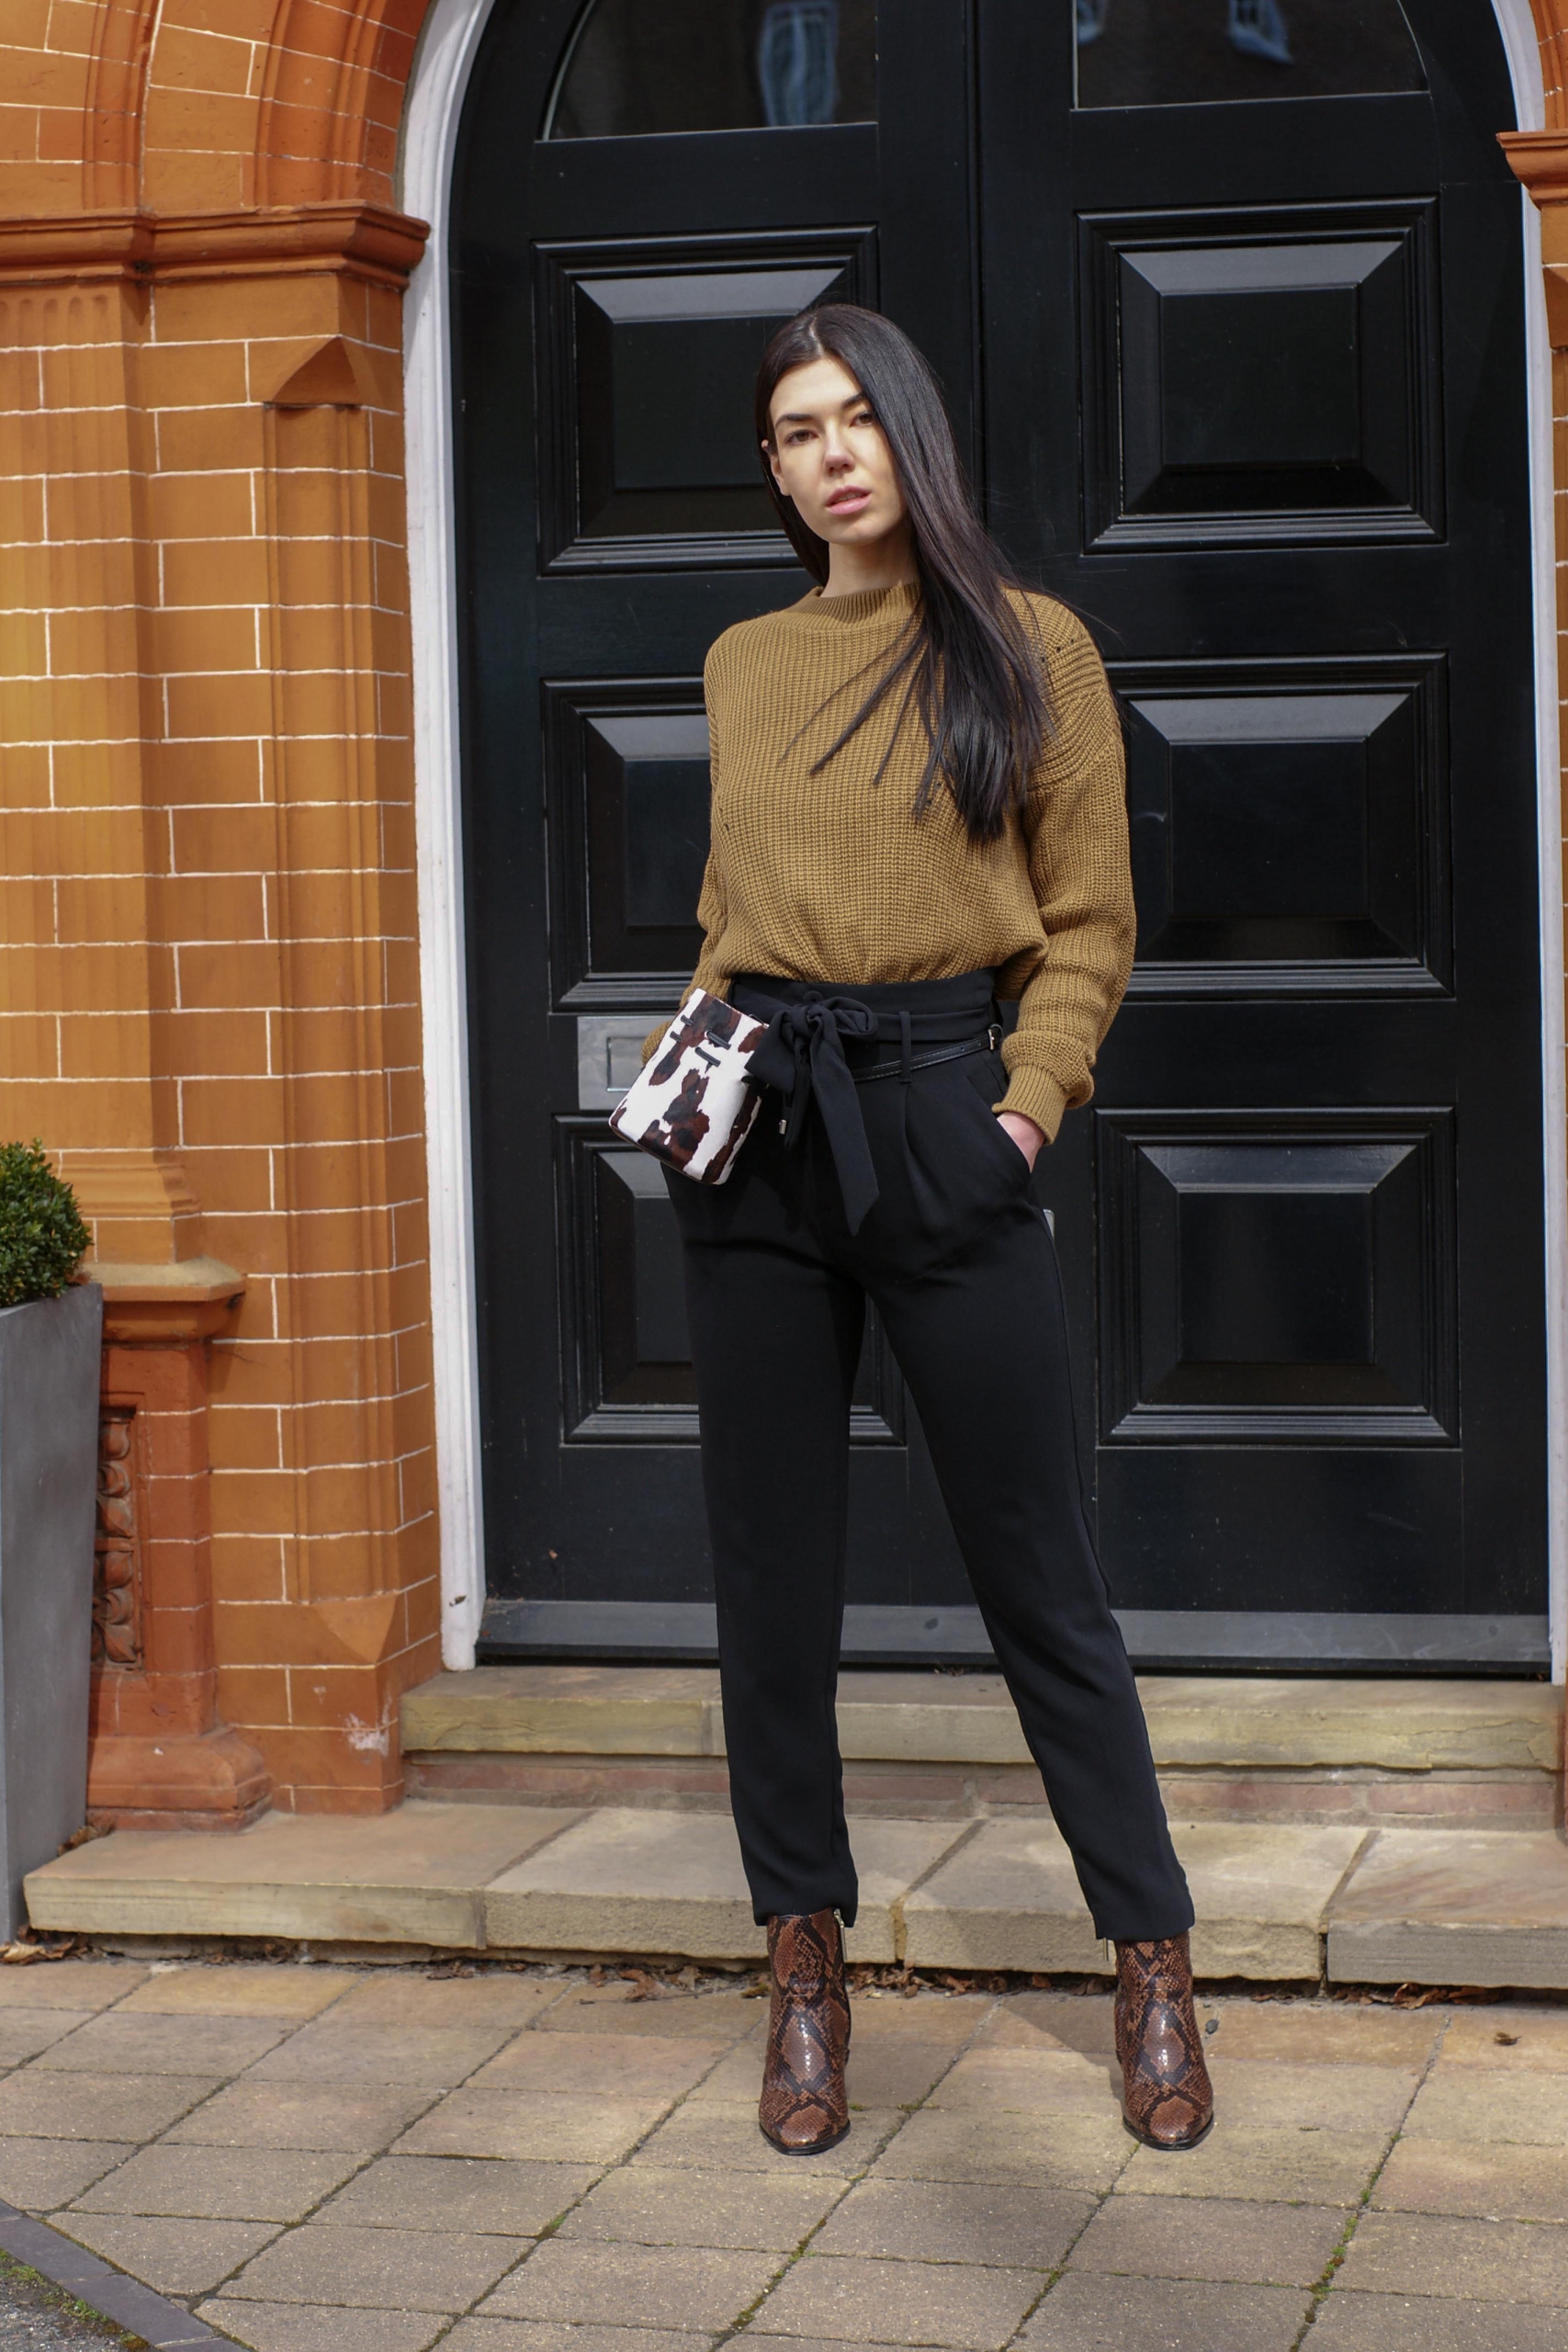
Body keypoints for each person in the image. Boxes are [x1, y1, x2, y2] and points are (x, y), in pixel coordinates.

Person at [642, 303, 1213, 2158]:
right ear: (772, 464)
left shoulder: (1025, 645)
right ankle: (802, 1962)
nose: (830, 452)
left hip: (942, 1111)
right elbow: (736, 911)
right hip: (764, 1135)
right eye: (795, 428)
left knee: (1035, 1567)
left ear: (911, 435)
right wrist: (689, 1089)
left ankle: (1146, 1955)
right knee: (768, 1576)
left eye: (856, 417)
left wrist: (1018, 1114)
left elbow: (1091, 924)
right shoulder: (737, 659)